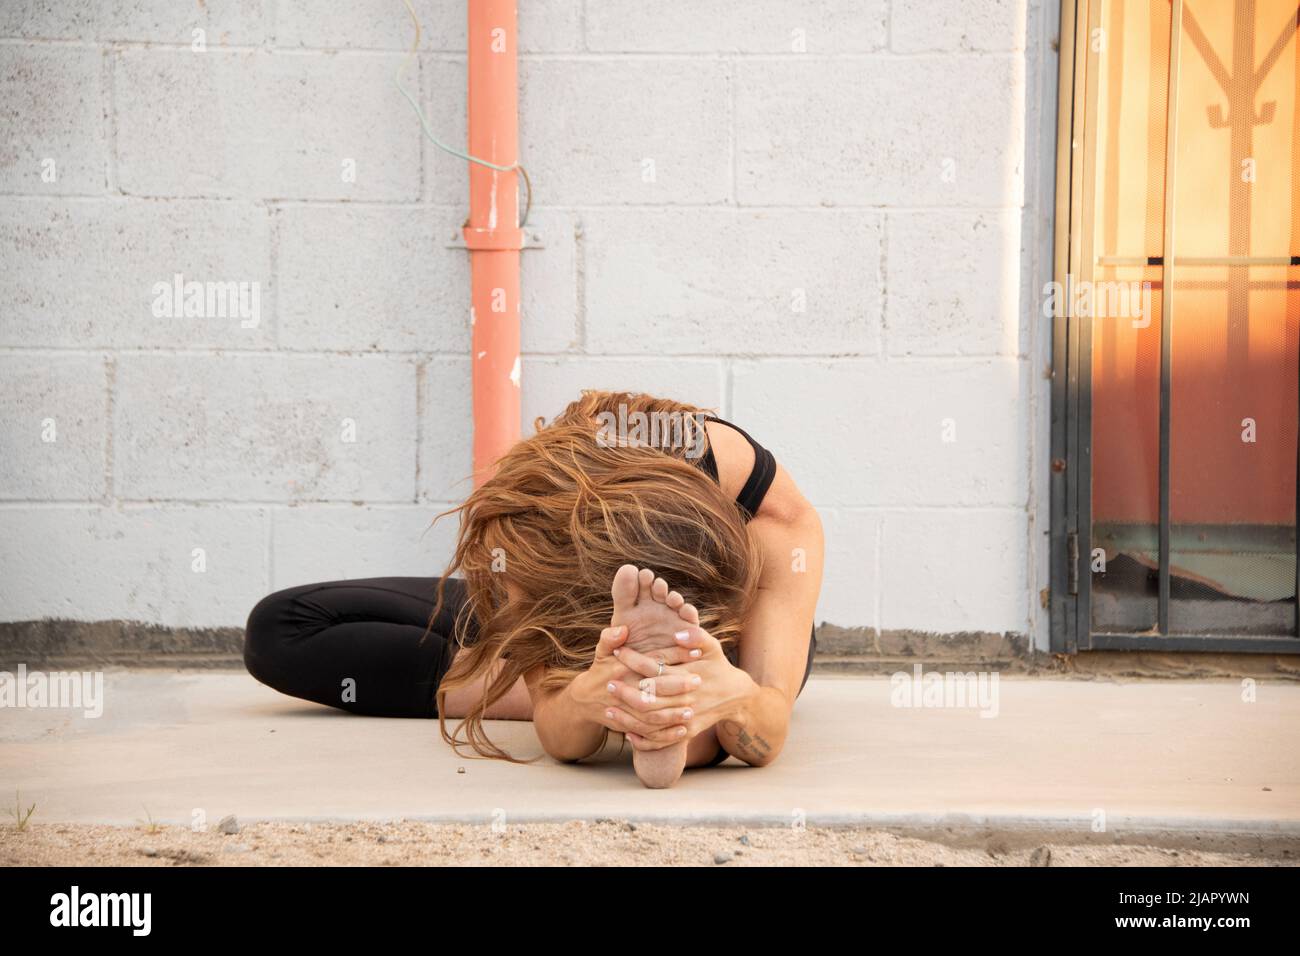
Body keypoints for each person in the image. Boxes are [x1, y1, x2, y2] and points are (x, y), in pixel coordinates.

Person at [244, 391, 823, 788]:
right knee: (283, 628)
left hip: (729, 631)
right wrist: (582, 693)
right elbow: (557, 732)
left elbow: (769, 730)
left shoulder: (772, 516)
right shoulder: (555, 498)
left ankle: (680, 696)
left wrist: (741, 699)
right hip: (577, 596)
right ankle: (629, 691)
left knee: (738, 693)